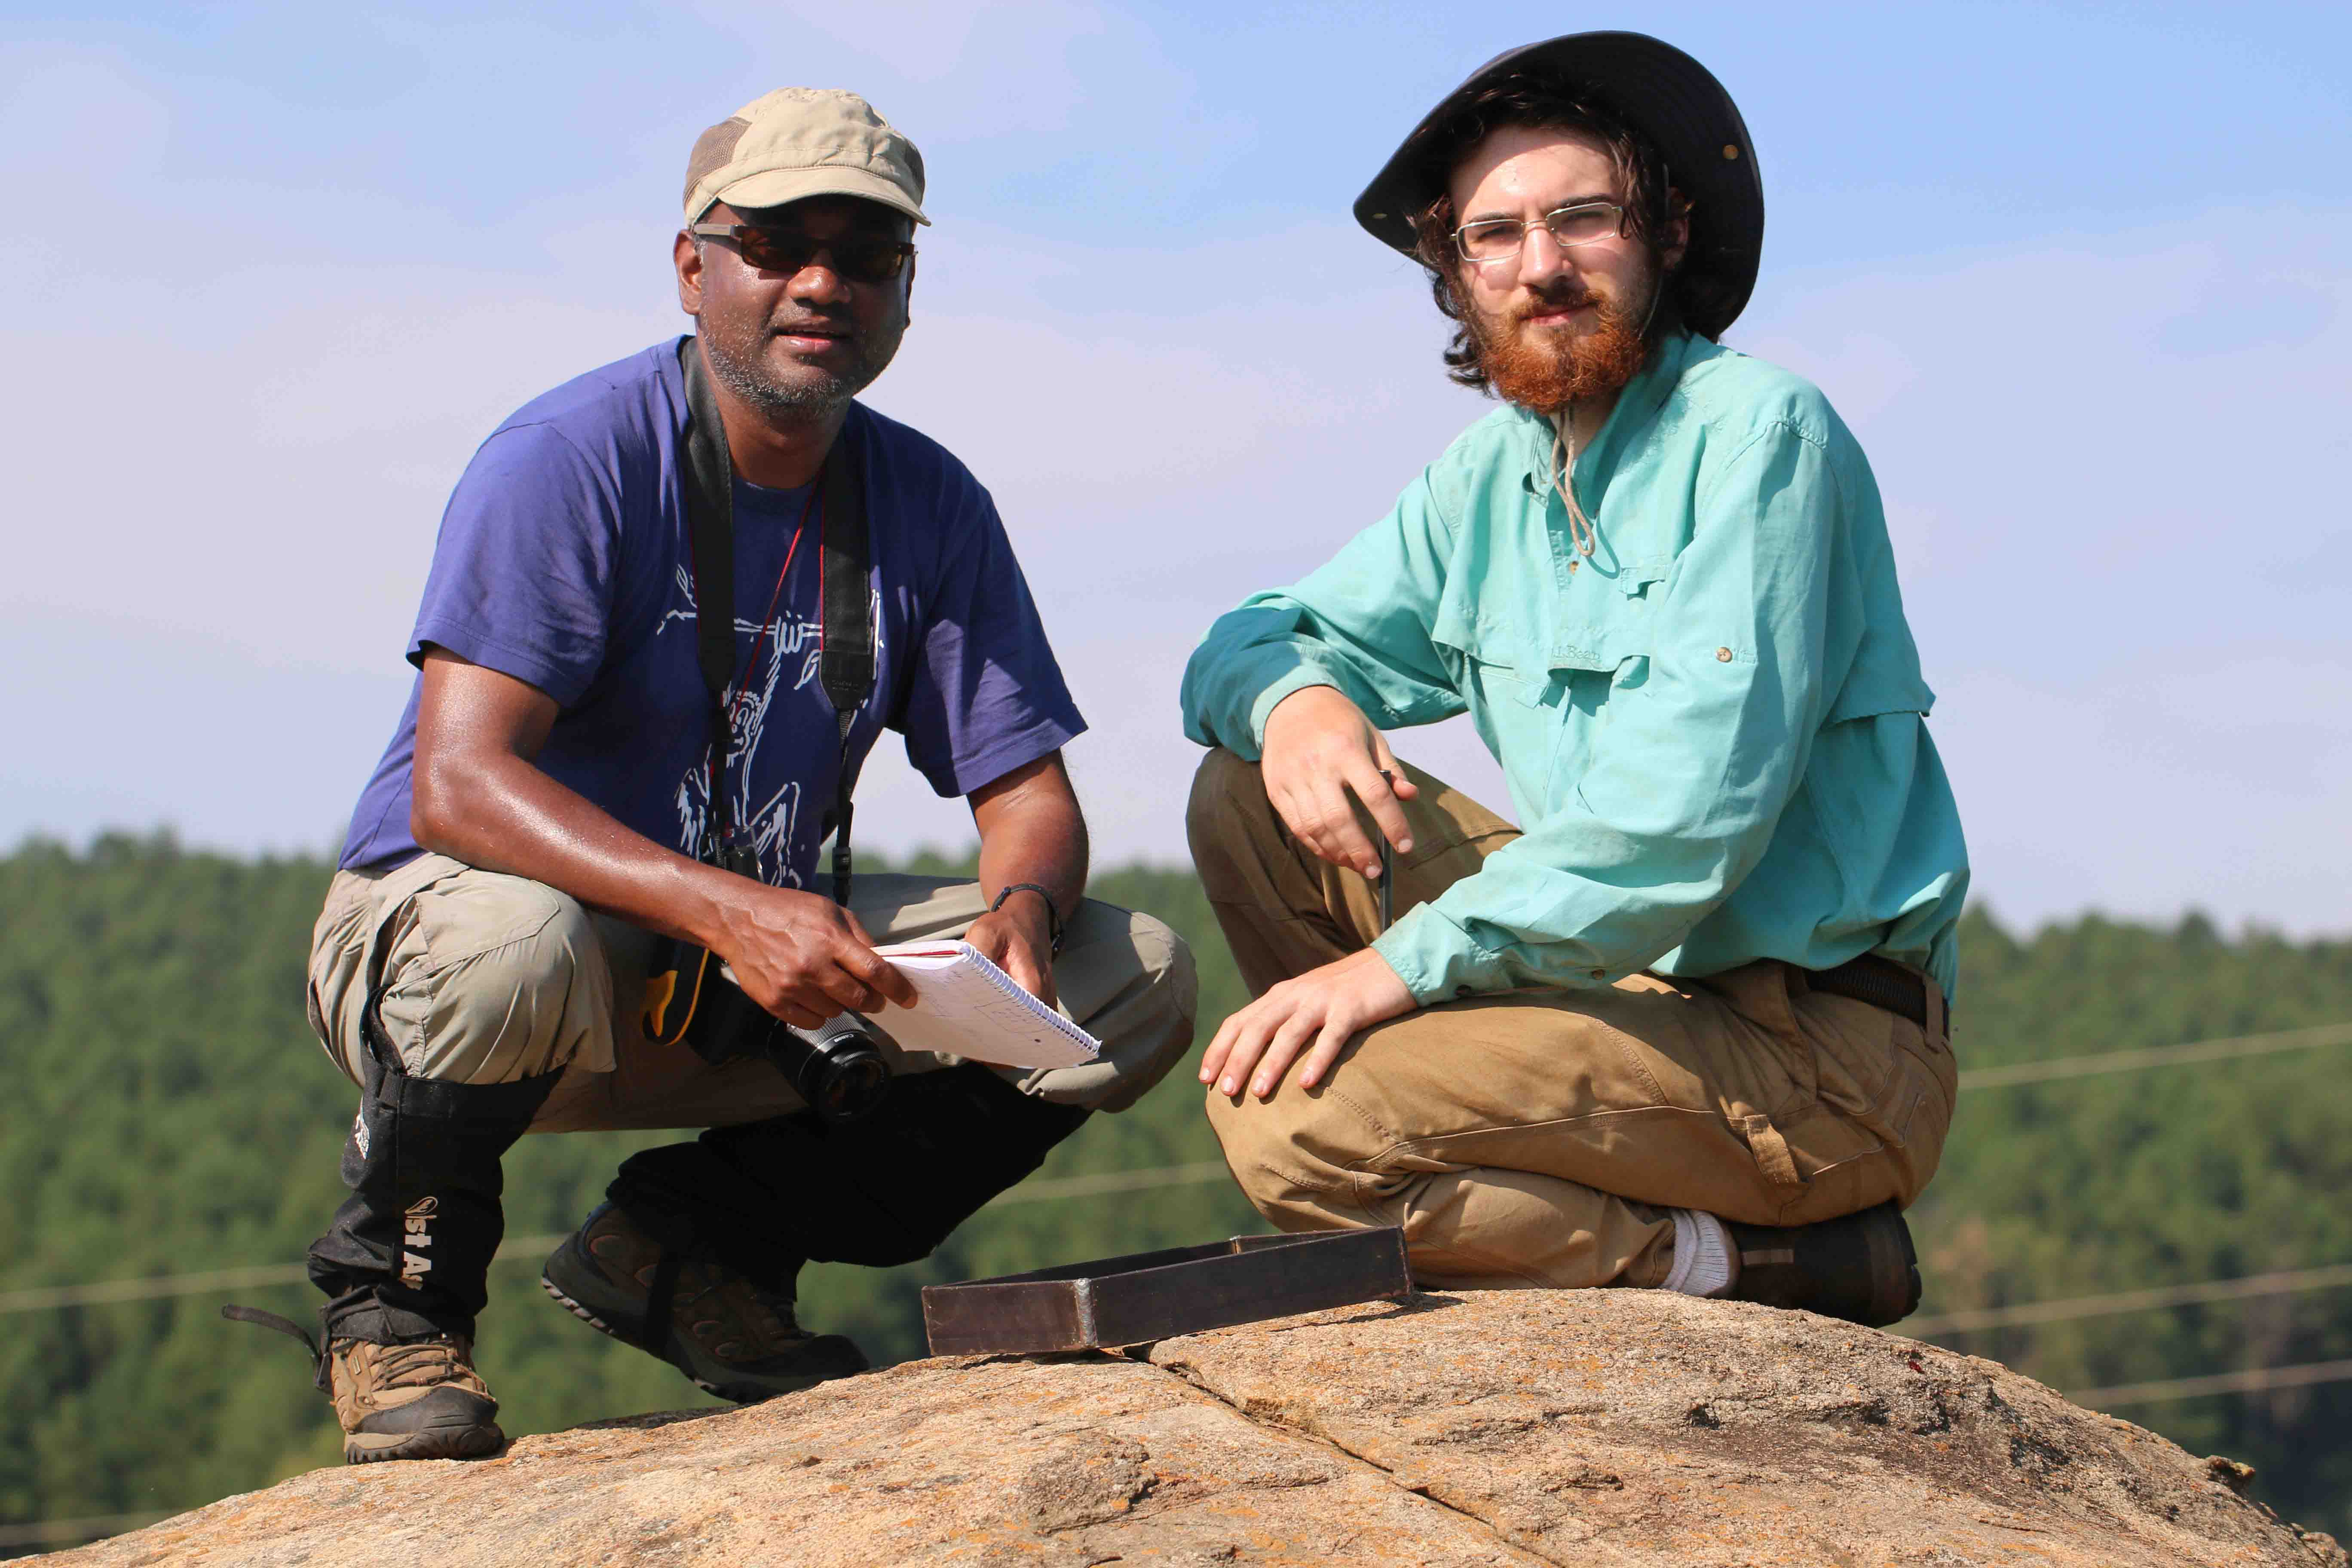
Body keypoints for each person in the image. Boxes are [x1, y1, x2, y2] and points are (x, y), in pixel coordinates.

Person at [278, 88, 1196, 1464]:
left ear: (906, 290)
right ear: (692, 265)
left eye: (867, 253)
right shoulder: (572, 458)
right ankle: (392, 1308)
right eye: (776, 242)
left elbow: (1030, 800)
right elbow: (456, 789)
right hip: (487, 960)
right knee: (508, 939)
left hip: (724, 983)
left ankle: (688, 1250)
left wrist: (1021, 912)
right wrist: (725, 907)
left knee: (1134, 978)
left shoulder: (930, 501)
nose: (822, 281)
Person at [1180, 33, 1966, 1326]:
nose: (1540, 265)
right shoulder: (1489, 478)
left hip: (1816, 1054)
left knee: (1292, 1128)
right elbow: (1250, 638)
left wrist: (1395, 972)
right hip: (1624, 995)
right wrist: (1299, 704)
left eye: (1581, 218)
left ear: (1664, 232)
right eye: (1494, 236)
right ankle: (1474, 1175)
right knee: (1250, 797)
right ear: (1459, 274)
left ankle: (1749, 1265)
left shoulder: (1764, 436)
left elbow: (1683, 820)